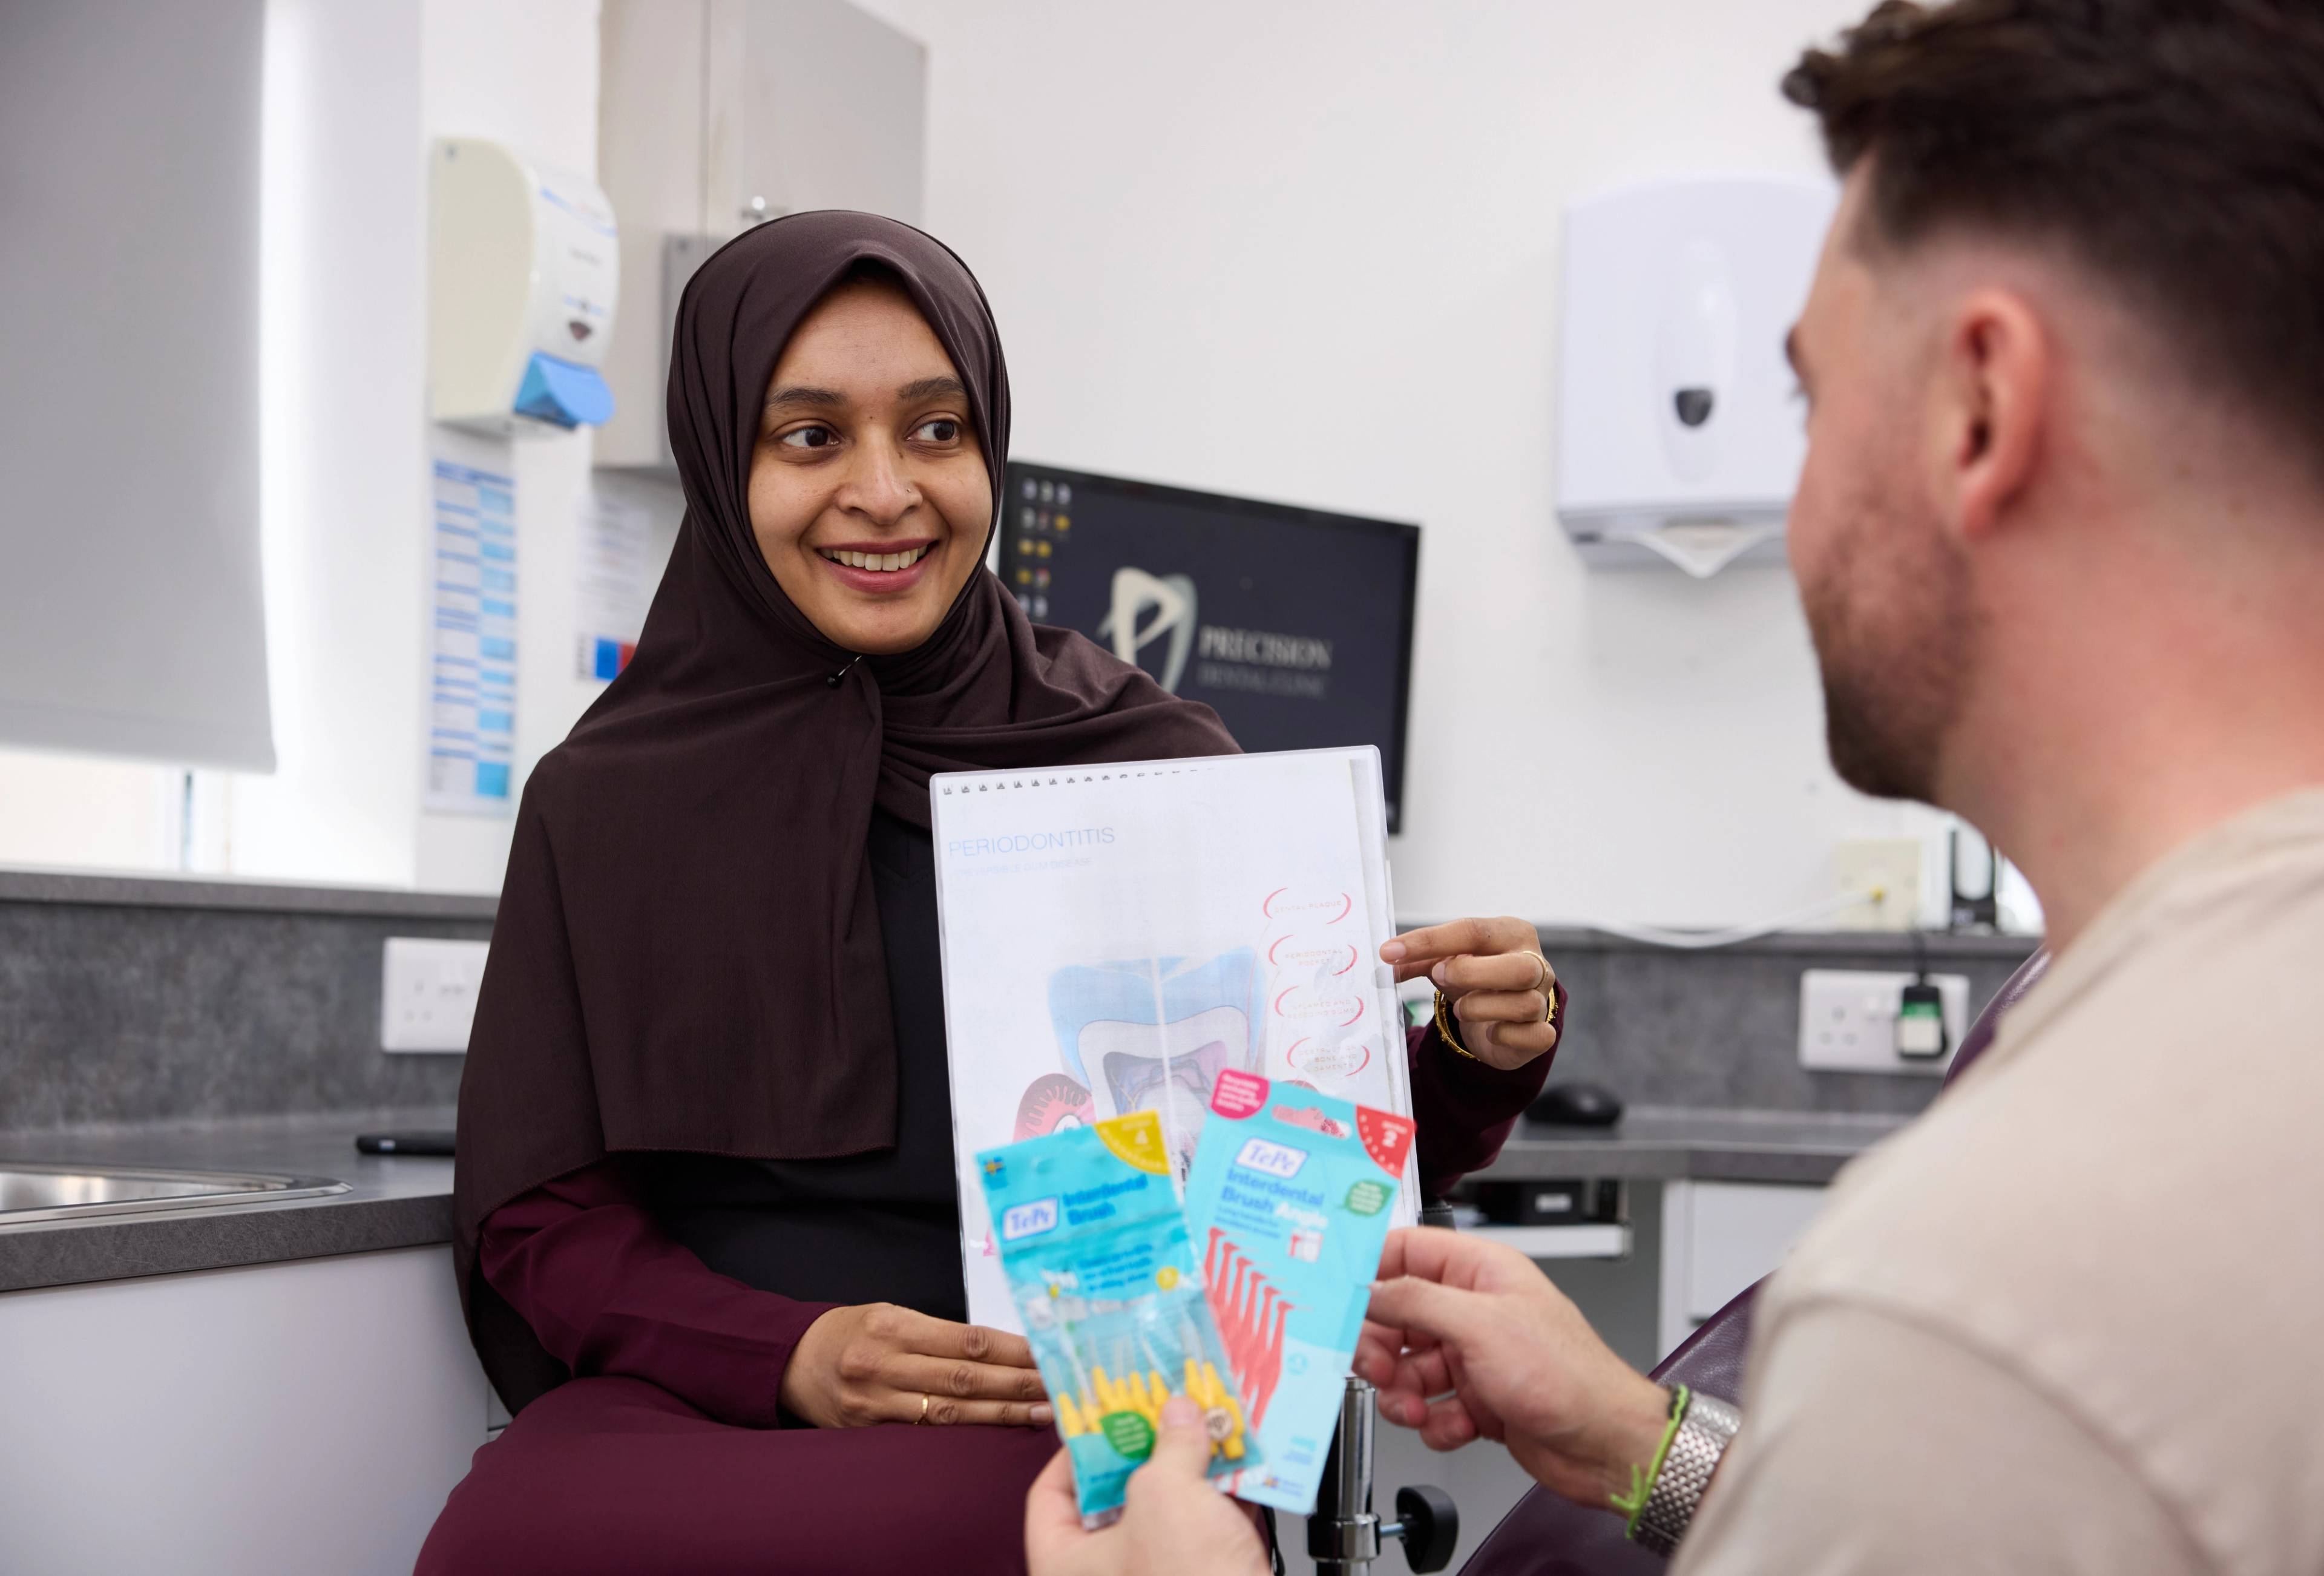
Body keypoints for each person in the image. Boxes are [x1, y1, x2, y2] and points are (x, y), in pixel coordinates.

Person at [1026, 0, 2324, 1571]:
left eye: (1812, 402)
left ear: (1982, 408)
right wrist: (1645, 1442)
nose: (1793, 508)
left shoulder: (1986, 1307)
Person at [417, 211, 1570, 1575]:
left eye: (935, 430)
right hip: (710, 1380)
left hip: (1065, 1380)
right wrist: (792, 1353)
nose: (885, 491)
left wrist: (1471, 1054)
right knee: (502, 1540)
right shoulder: (606, 799)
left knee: (1007, 1537)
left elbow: (1298, 1161)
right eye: (810, 437)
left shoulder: (1144, 762)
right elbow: (545, 1216)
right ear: (723, 463)